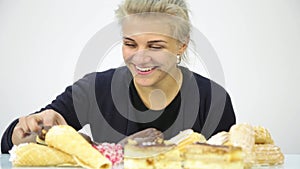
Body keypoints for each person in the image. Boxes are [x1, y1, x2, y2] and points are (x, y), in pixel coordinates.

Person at [1, 0, 235, 154]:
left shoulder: (212, 99)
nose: (140, 58)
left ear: (181, 45)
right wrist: (31, 129)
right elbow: (8, 143)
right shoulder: (95, 90)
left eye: (155, 47)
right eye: (130, 44)